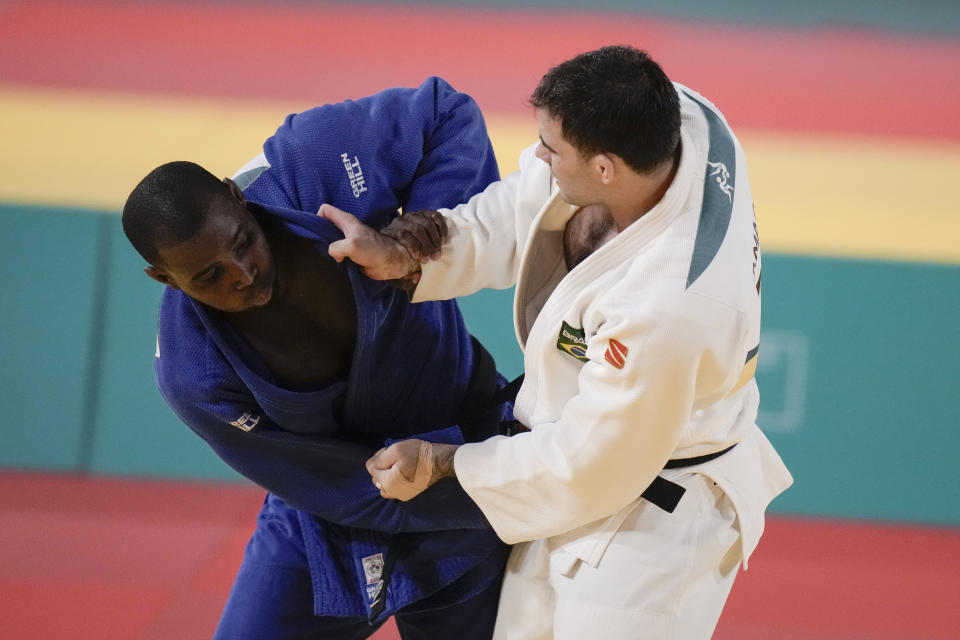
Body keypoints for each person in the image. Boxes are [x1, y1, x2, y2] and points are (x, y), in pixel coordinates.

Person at [321, 46, 794, 639]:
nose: (538, 154)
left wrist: (449, 464)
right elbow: (531, 201)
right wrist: (415, 256)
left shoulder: (667, 306)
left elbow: (592, 463)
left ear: (605, 168)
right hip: (604, 453)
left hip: (656, 520)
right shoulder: (674, 115)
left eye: (553, 149)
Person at [121, 77, 515, 640]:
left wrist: (427, 234)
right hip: (332, 514)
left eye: (242, 243)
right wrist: (486, 491)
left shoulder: (317, 161)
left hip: (465, 447)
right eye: (208, 277)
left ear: (240, 197)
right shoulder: (194, 371)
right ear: (165, 280)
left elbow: (446, 114)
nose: (242, 274)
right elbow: (319, 481)